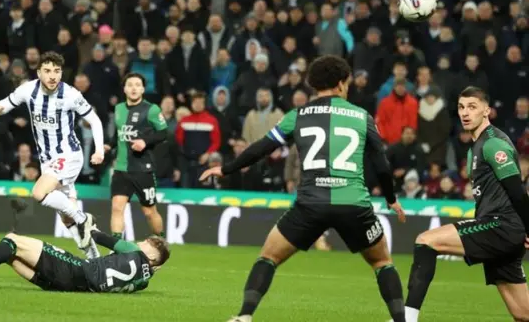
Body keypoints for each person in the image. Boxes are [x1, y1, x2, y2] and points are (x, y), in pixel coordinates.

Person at [200, 55, 407, 322]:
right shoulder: (362, 116)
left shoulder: (297, 116)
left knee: (268, 257)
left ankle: (244, 316)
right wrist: (391, 199)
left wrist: (226, 168)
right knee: (381, 262)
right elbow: (381, 164)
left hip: (310, 205)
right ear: (342, 83)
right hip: (353, 204)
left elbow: (262, 148)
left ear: (313, 84)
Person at [400, 87, 529, 322]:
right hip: (502, 229)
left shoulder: (493, 144)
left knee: (426, 241)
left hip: (501, 227)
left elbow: (518, 192)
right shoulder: (475, 149)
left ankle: (407, 318)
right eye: (461, 107)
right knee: (523, 314)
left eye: (472, 107)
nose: (465, 113)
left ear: (486, 111)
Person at [0, 51, 104, 258]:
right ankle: (94, 257)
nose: (52, 76)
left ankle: (83, 219)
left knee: (38, 193)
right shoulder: (28, 90)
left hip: (69, 155)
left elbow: (95, 121)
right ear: (39, 72)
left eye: (57, 71)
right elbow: (9, 101)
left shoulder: (70, 94)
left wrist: (98, 150)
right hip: (47, 161)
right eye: (47, 71)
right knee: (65, 217)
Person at [0, 229, 170, 293]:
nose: (140, 242)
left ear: (152, 256)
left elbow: (100, 237)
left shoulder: (133, 251)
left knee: (13, 241)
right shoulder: (144, 281)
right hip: (74, 287)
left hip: (75, 270)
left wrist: (86, 225)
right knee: (12, 254)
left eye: (147, 243)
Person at [105, 73, 168, 239]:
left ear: (143, 89)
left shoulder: (152, 109)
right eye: (130, 85)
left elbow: (163, 133)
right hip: (121, 168)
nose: (134, 88)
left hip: (142, 169)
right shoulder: (118, 108)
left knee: (149, 212)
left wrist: (145, 142)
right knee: (117, 208)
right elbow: (118, 134)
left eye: (137, 85)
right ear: (124, 89)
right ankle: (117, 248)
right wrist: (108, 145)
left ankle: (161, 243)